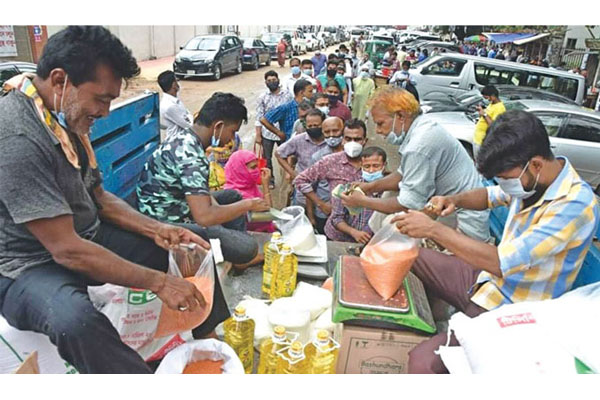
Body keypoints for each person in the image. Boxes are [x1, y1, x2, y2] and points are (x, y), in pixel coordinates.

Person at [0, 25, 226, 374]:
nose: (106, 112)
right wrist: (159, 282)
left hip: (85, 236)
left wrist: (157, 229)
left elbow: (100, 199)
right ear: (60, 81)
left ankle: (211, 346)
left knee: (189, 245)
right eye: (102, 99)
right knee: (75, 320)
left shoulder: (63, 118)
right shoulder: (18, 135)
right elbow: (67, 250)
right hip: (29, 264)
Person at [395, 110, 599, 374]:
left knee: (422, 363)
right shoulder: (529, 180)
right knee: (410, 254)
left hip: (511, 307)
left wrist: (433, 230)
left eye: (506, 178)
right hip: (485, 281)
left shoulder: (574, 206)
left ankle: (448, 340)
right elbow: (491, 196)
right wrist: (454, 200)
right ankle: (434, 324)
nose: (504, 184)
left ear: (536, 165)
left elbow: (502, 262)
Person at [341, 87, 490, 242]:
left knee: (395, 226)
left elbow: (408, 203)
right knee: (389, 195)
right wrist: (369, 187)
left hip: (461, 218)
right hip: (444, 204)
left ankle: (381, 249)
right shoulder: (420, 127)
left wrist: (362, 201)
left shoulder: (419, 145)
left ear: (400, 116)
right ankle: (374, 243)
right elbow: (402, 175)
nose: (377, 131)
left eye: (380, 124)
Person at [137, 92, 267, 268]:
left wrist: (223, 210)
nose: (231, 139)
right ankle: (235, 251)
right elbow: (204, 217)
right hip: (165, 220)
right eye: (232, 132)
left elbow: (198, 191)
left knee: (233, 196)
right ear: (218, 126)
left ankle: (232, 249)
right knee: (247, 248)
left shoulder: (185, 139)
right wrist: (248, 205)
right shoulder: (191, 157)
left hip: (175, 203)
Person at [294, 119, 368, 224]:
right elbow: (301, 180)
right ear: (343, 140)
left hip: (363, 224)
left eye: (357, 139)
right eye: (348, 139)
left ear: (365, 140)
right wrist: (320, 204)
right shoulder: (330, 161)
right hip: (334, 224)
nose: (352, 143)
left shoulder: (373, 161)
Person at [325, 146, 387, 243]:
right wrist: (353, 232)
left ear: (384, 165)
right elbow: (336, 218)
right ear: (361, 165)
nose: (371, 170)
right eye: (367, 166)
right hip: (344, 239)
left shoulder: (389, 191)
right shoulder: (349, 188)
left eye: (376, 166)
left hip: (375, 241)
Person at [276, 109, 327, 205]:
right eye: (310, 126)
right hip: (304, 190)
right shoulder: (299, 140)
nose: (313, 128)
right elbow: (279, 153)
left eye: (316, 125)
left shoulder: (330, 140)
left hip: (324, 190)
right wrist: (293, 174)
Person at [255, 70, 294, 188]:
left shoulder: (287, 95)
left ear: (278, 80)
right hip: (267, 133)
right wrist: (258, 134)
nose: (272, 82)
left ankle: (287, 178)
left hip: (284, 132)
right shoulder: (262, 97)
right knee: (267, 158)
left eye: (274, 80)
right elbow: (259, 116)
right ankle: (270, 180)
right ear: (265, 82)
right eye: (269, 80)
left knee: (286, 156)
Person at [306, 116, 345, 232]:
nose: (331, 135)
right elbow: (308, 187)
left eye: (335, 131)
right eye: (327, 132)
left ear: (343, 130)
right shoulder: (318, 158)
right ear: (322, 133)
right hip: (324, 213)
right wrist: (311, 216)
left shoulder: (352, 154)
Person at [224, 150, 274, 233]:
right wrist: (266, 187)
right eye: (253, 167)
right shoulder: (233, 195)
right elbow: (267, 216)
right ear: (240, 169)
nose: (257, 170)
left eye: (257, 166)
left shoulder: (251, 187)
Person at [157, 70, 192, 140]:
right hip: (176, 141)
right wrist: (190, 116)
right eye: (176, 81)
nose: (178, 83)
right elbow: (189, 125)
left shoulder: (174, 100)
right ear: (174, 85)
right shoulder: (170, 106)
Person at [473, 85, 506, 159]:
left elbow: (494, 125)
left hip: (483, 141)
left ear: (493, 95)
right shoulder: (492, 104)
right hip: (478, 138)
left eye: (487, 97)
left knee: (480, 161)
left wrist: (484, 114)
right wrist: (481, 112)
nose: (487, 100)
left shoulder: (500, 108)